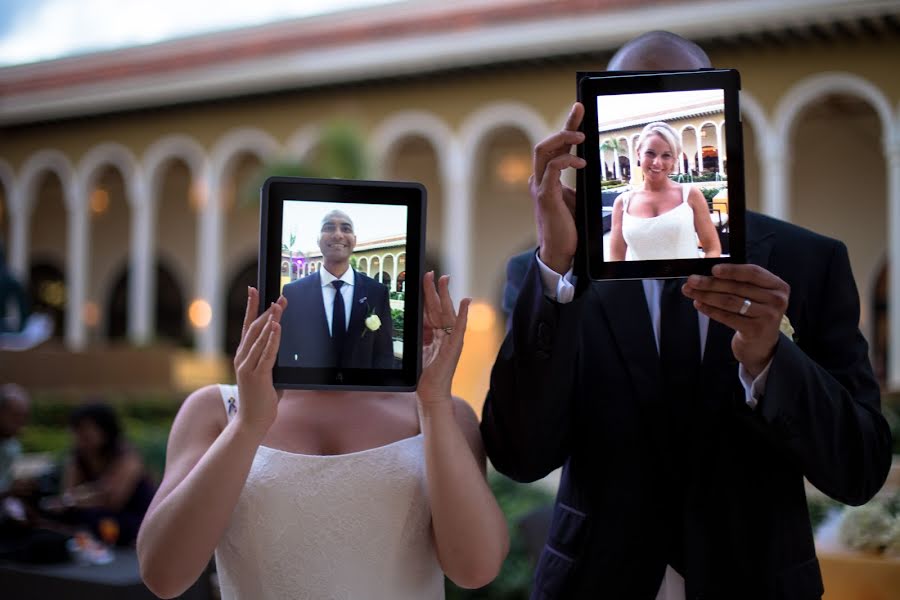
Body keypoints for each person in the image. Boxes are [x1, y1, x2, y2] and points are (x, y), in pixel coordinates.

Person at [482, 31, 893, 599]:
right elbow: (520, 455)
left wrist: (773, 361)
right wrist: (558, 266)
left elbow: (861, 470)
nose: (654, 156)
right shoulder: (556, 271)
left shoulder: (808, 262)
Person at [137, 273, 509, 599]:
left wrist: (434, 403)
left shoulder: (443, 412)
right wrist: (248, 425)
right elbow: (163, 575)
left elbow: (475, 570)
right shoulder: (217, 410)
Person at [278, 209, 395, 368]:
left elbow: (384, 353)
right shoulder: (293, 293)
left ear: (354, 240)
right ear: (317, 239)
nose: (338, 234)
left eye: (346, 229)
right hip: (311, 390)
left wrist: (379, 391)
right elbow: (285, 352)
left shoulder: (377, 292)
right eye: (329, 227)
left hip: (363, 391)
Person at [44, 402, 155, 546]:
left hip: (131, 518)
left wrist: (78, 498)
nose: (81, 435)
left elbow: (114, 500)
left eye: (86, 429)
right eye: (77, 429)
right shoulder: (77, 458)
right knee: (58, 515)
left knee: (100, 523)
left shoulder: (126, 456)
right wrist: (83, 497)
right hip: (97, 514)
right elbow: (68, 495)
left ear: (105, 430)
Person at [610, 121, 721, 261]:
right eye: (650, 153)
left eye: (666, 155)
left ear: (674, 159)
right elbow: (616, 259)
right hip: (642, 283)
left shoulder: (690, 195)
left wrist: (701, 280)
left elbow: (712, 248)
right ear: (639, 154)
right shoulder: (622, 203)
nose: (657, 162)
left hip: (689, 281)